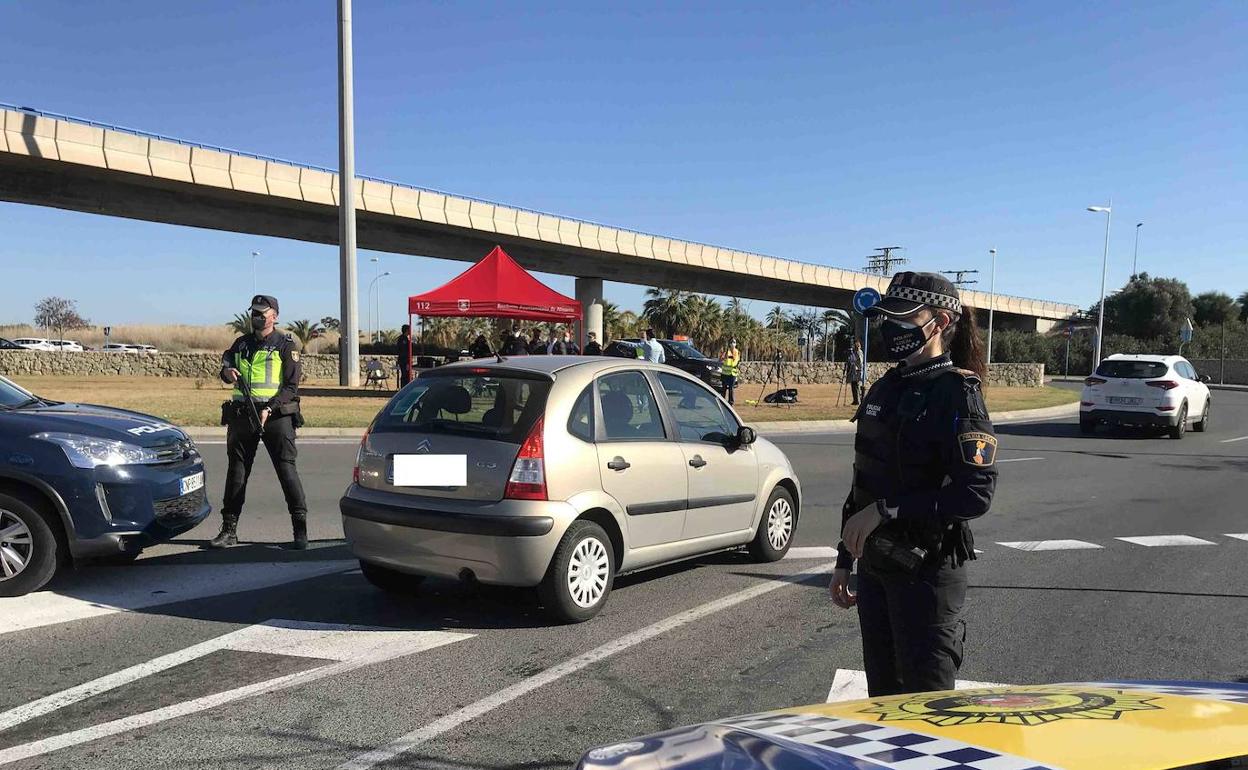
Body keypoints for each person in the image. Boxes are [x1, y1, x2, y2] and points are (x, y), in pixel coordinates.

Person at [828, 272, 997, 697]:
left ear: (939, 322)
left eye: (902, 319)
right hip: (877, 568)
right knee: (883, 699)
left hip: (927, 574)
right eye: (887, 317)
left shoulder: (956, 392)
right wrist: (844, 560)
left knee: (927, 709)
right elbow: (863, 479)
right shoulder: (887, 385)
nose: (891, 328)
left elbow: (975, 493)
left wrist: (889, 509)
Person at [210, 294, 309, 550]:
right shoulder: (241, 343)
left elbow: (291, 386)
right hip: (243, 416)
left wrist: (270, 408)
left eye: (262, 312)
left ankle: (300, 530)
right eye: (254, 312)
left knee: (286, 471)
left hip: (276, 417)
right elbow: (226, 362)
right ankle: (229, 530)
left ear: (274, 316)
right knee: (237, 473)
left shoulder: (286, 344)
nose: (256, 316)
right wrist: (227, 372)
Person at [845, 338, 864, 405]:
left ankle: (861, 400)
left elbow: (860, 362)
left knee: (858, 385)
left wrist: (855, 364)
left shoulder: (859, 352)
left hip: (858, 371)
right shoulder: (853, 352)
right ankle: (856, 400)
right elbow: (851, 360)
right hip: (854, 371)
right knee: (854, 385)